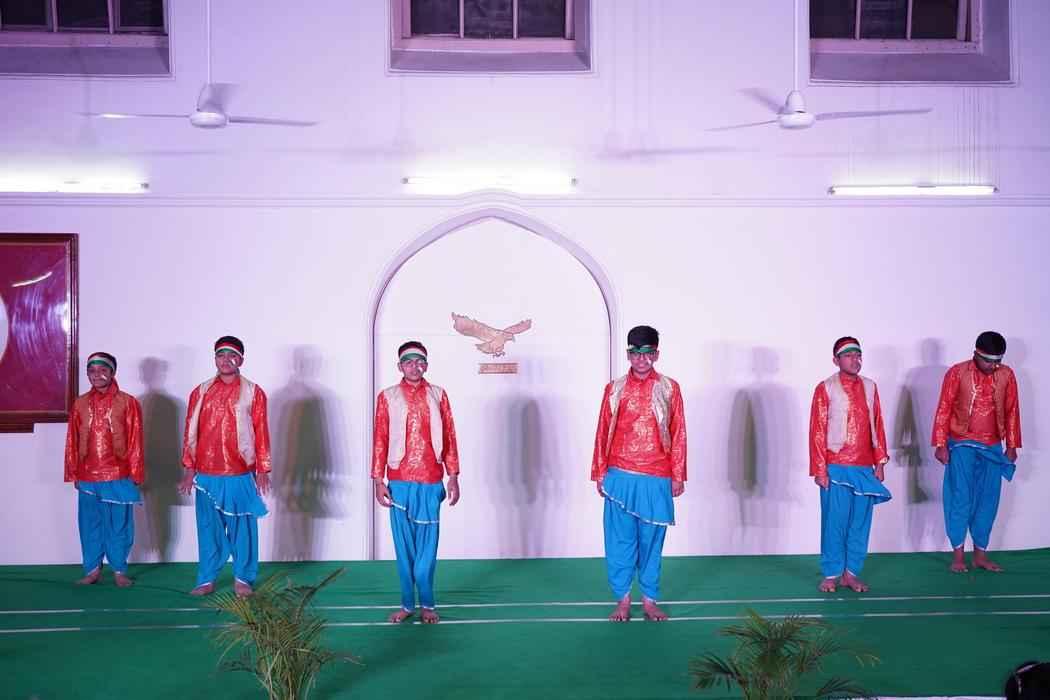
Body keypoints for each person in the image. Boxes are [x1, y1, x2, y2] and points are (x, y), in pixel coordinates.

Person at [591, 325, 686, 622]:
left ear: (656, 354)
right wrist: (599, 471)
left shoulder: (670, 388)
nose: (641, 359)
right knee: (619, 542)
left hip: (657, 476)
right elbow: (602, 430)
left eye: (647, 353)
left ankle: (649, 600)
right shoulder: (614, 388)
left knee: (651, 543)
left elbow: (679, 432)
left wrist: (678, 474)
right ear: (628, 354)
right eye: (636, 353)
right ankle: (622, 601)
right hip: (620, 474)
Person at [372, 341, 460, 624]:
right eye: (408, 362)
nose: (414, 366)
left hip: (431, 480)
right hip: (398, 480)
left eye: (420, 361)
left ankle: (428, 604)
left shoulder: (438, 395)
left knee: (426, 550)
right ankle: (408, 604)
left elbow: (449, 437)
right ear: (400, 366)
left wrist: (453, 475)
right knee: (404, 550)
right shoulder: (388, 397)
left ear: (426, 365)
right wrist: (378, 480)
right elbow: (380, 439)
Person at [178, 336, 272, 597]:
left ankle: (243, 578)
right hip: (207, 472)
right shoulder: (201, 391)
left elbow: (261, 431)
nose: (226, 360)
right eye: (221, 355)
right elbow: (190, 431)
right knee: (209, 528)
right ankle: (207, 578)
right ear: (215, 359)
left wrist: (263, 469)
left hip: (239, 471)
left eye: (232, 355)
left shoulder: (253, 392)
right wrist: (189, 469)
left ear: (241, 359)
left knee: (243, 528)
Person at [932, 331, 1021, 573]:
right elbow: (944, 408)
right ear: (976, 354)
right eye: (988, 361)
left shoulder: (1007, 375)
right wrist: (940, 443)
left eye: (998, 361)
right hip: (962, 443)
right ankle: (958, 556)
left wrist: (1012, 445)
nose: (993, 366)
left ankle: (980, 555)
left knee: (988, 500)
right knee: (960, 497)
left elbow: (1012, 410)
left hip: (993, 446)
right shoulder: (957, 372)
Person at [808, 337, 892, 593]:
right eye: (848, 356)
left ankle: (851, 574)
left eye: (858, 355)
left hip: (864, 467)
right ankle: (831, 574)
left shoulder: (870, 387)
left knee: (860, 524)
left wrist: (880, 462)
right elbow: (817, 430)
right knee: (834, 523)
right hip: (835, 466)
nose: (855, 360)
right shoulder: (826, 388)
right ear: (836, 360)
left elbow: (877, 424)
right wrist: (819, 469)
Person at [64, 351, 144, 587]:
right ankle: (92, 570)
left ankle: (119, 570)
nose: (97, 375)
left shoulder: (128, 402)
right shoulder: (80, 404)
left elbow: (136, 440)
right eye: (92, 371)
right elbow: (72, 439)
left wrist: (136, 472)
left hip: (119, 473)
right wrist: (74, 471)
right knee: (89, 524)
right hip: (88, 474)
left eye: (102, 370)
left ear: (112, 372)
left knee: (119, 524)